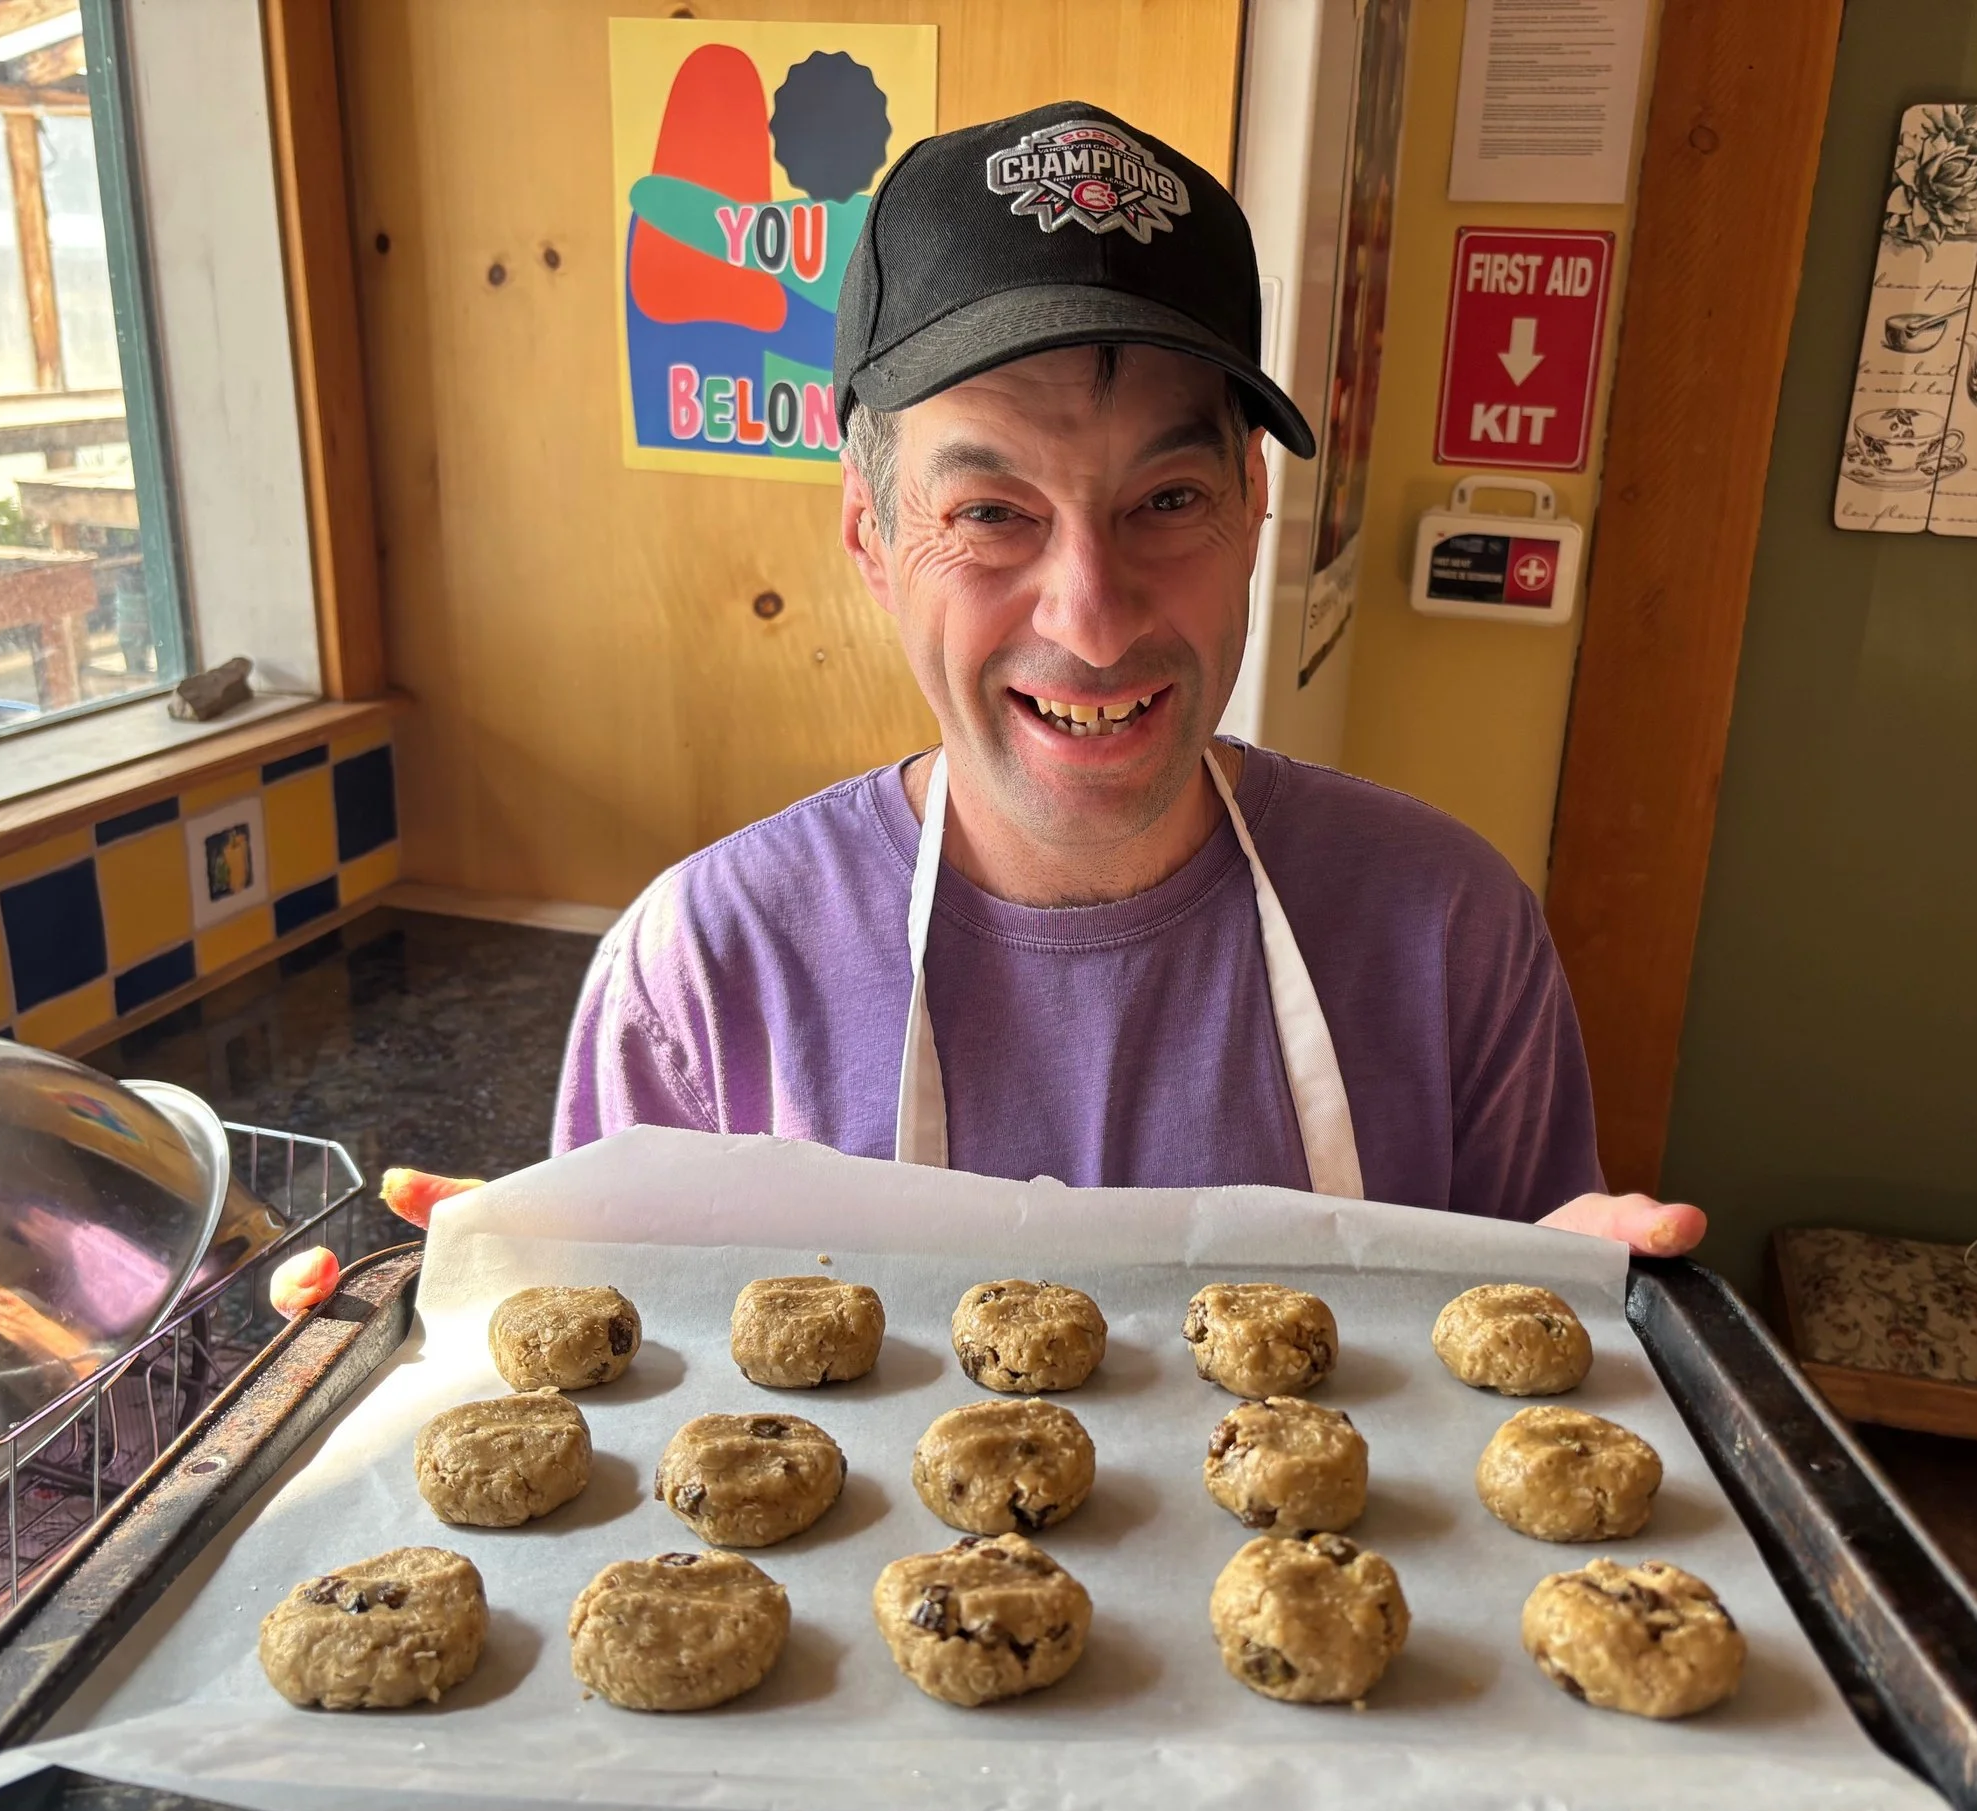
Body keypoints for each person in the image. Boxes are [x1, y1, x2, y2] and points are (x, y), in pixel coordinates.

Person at [555, 102, 1702, 1257]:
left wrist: (1595, 1315)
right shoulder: (705, 977)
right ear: (870, 538)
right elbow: (625, 1374)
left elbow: (1524, 1351)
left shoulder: (1449, 935)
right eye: (993, 515)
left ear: (1253, 506)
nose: (1092, 622)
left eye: (1166, 502)